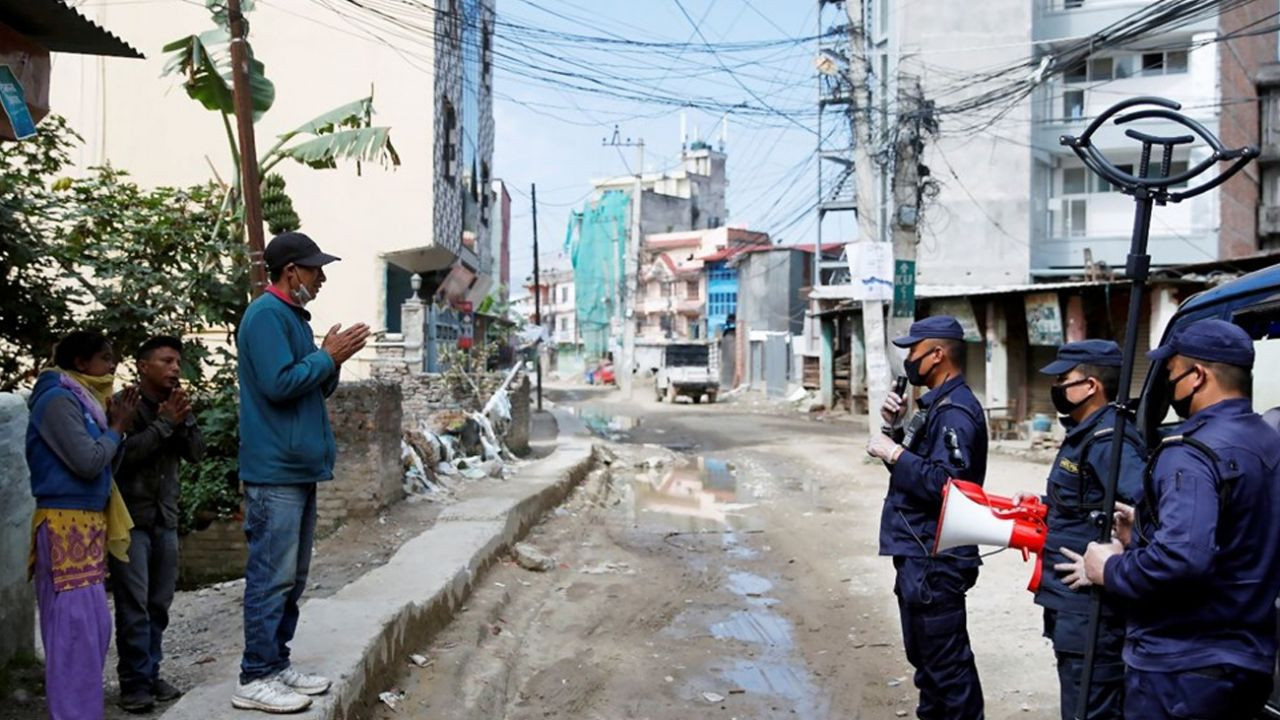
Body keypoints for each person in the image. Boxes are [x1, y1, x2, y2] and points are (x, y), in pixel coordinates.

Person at [1065, 319, 1280, 720]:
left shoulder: (1191, 453)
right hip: (1250, 659)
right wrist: (1144, 535)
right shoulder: (1268, 438)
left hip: (1182, 669)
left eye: (1169, 373)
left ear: (1197, 376)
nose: (1166, 383)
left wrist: (1109, 568)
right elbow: (1240, 534)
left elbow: (1182, 559)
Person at [232, 232, 370, 713]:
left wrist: (331, 361)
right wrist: (325, 357)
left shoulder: (289, 316)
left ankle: (275, 663)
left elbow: (311, 387)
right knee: (271, 576)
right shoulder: (267, 315)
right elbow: (279, 384)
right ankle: (254, 676)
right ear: (292, 271)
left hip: (297, 467)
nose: (322, 277)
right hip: (275, 471)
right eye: (315, 269)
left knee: (292, 577)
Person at [1014, 340, 1145, 719]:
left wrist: (1117, 558)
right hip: (1071, 606)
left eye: (1064, 379)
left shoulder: (1110, 441)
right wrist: (1044, 503)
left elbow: (1148, 513)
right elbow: (1086, 502)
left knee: (1091, 709)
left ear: (1091, 386)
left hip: (1093, 610)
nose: (1056, 388)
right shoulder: (1087, 433)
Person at [866, 315, 988, 720]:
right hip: (920, 555)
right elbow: (915, 477)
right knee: (930, 670)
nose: (909, 361)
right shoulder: (933, 406)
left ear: (937, 355)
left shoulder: (955, 412)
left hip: (937, 560)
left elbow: (948, 486)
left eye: (913, 352)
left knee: (949, 675)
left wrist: (894, 452)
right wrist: (895, 430)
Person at [27, 330, 139, 720]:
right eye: (106, 358)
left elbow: (105, 467)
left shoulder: (85, 402)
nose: (112, 367)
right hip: (63, 526)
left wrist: (113, 428)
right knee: (73, 635)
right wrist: (117, 427)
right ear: (80, 363)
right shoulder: (57, 399)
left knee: (92, 632)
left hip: (85, 526)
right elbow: (89, 462)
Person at [110, 335, 205, 713]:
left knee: (159, 604)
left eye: (177, 362)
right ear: (143, 366)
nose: (174, 368)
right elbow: (121, 457)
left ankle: (150, 674)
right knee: (134, 606)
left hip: (165, 519)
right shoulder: (123, 406)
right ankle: (133, 684)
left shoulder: (177, 404)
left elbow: (197, 454)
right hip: (130, 521)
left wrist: (182, 422)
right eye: (166, 361)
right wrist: (165, 424)